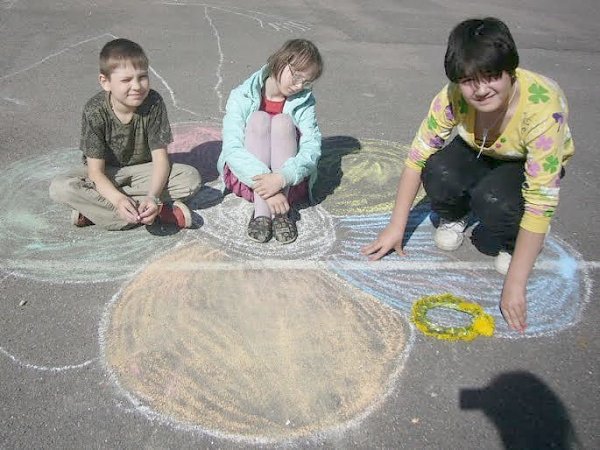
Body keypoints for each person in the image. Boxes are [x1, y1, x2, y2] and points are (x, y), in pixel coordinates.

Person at [361, 17, 574, 333]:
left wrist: (516, 282)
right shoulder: (452, 97)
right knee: (438, 169)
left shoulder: (542, 109)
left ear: (510, 70)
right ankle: (455, 215)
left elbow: (541, 201)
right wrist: (396, 227)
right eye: (469, 80)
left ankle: (516, 244)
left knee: (495, 200)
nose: (481, 89)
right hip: (480, 146)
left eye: (491, 76)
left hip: (522, 160)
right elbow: (416, 158)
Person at [49, 38, 201, 231]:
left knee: (189, 178)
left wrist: (152, 197)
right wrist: (118, 199)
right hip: (108, 174)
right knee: (61, 187)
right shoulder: (94, 110)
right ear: (105, 82)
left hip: (144, 171)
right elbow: (95, 172)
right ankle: (155, 214)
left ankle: (97, 211)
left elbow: (161, 160)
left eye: (142, 77)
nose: (137, 86)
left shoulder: (153, 103)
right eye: (126, 80)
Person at [218, 38, 323, 244]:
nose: (299, 86)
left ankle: (280, 215)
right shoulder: (242, 95)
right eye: (296, 76)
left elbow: (312, 147)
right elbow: (232, 147)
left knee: (283, 122)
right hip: (247, 177)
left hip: (289, 182)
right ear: (280, 62)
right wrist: (269, 187)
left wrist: (281, 178)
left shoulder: (305, 101)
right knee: (258, 119)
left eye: (306, 82)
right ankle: (262, 213)